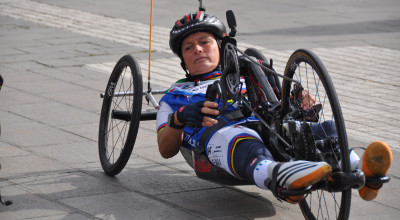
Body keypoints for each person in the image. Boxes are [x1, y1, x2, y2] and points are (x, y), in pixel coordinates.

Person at [156, 11, 392, 203]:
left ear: (220, 46)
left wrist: (298, 100)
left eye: (204, 42)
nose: (197, 49)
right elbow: (165, 150)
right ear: (183, 61)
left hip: (270, 126)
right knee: (243, 141)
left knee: (327, 129)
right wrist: (180, 118)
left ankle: (360, 171)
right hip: (221, 135)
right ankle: (278, 175)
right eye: (188, 47)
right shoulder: (174, 96)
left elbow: (279, 103)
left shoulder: (246, 73)